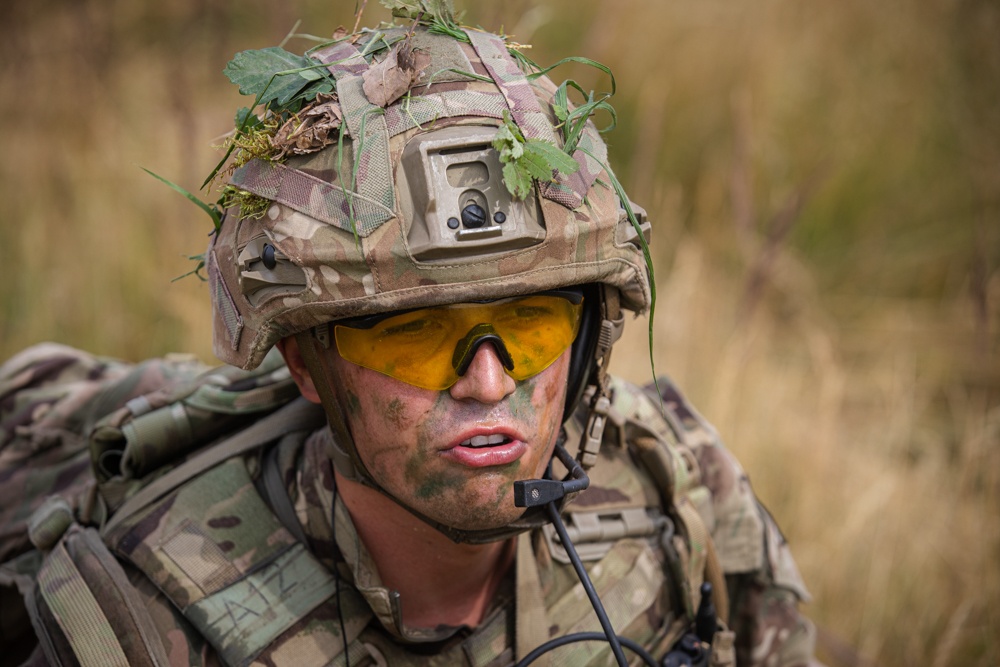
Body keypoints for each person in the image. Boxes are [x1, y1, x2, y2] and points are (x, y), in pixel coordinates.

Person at [0, 10, 818, 667]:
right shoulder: (156, 610)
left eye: (533, 326)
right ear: (308, 362)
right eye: (419, 336)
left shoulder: (673, 487)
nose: (491, 383)